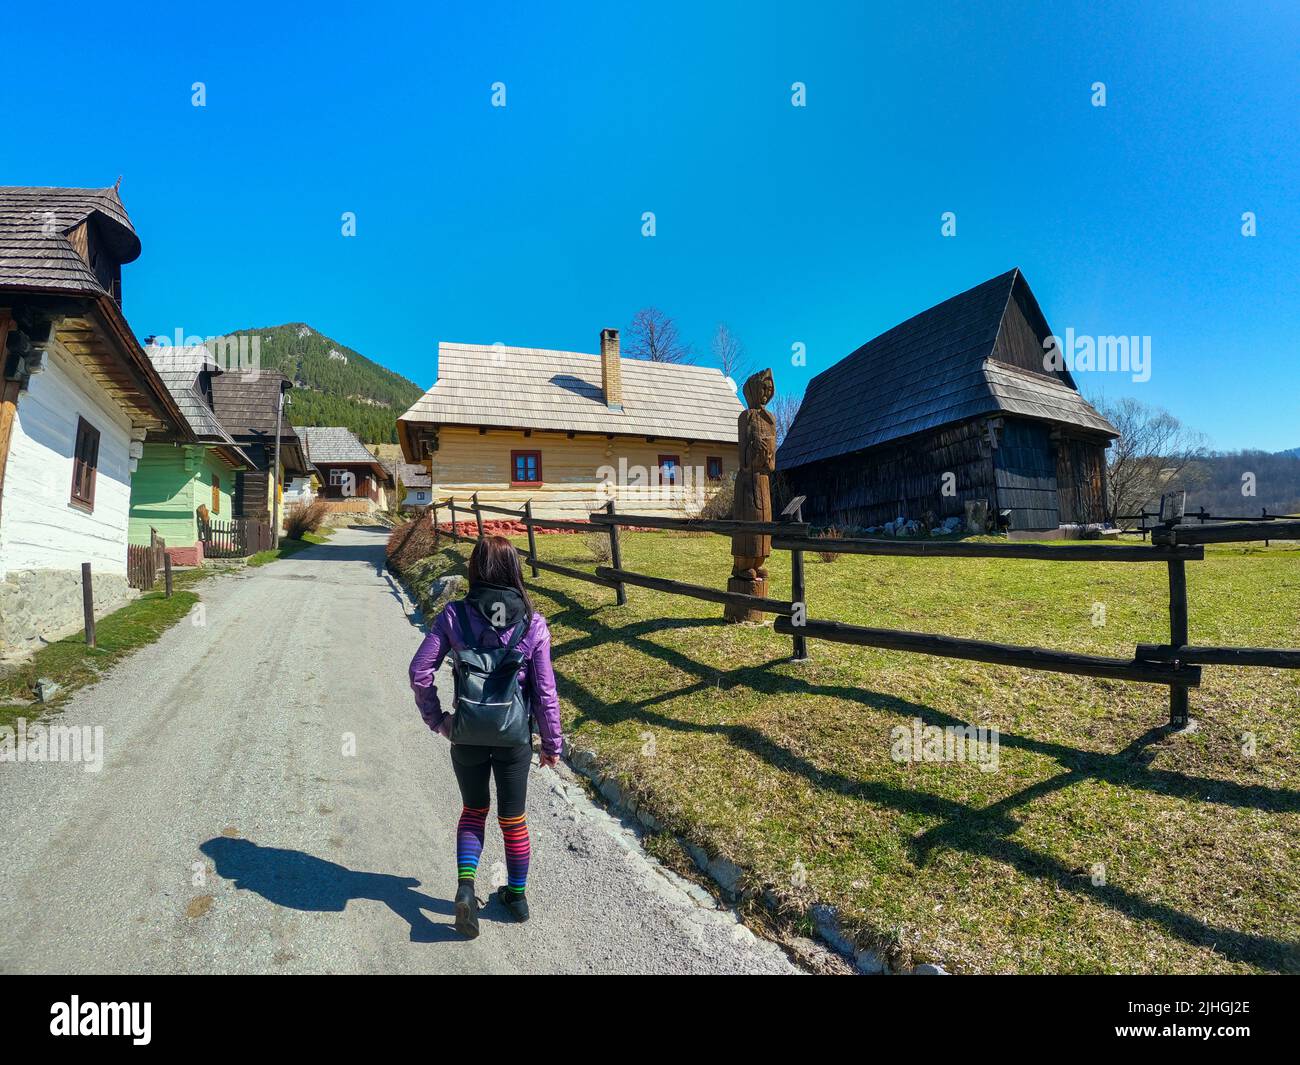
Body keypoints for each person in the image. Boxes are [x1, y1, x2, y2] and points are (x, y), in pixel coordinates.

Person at [408, 535, 562, 939]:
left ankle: (465, 887)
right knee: (513, 819)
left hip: (467, 736)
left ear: (475, 568)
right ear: (514, 568)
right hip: (514, 739)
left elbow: (419, 672)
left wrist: (438, 720)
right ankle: (517, 897)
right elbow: (545, 692)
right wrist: (552, 743)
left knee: (474, 811)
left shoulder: (455, 615)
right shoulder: (533, 622)